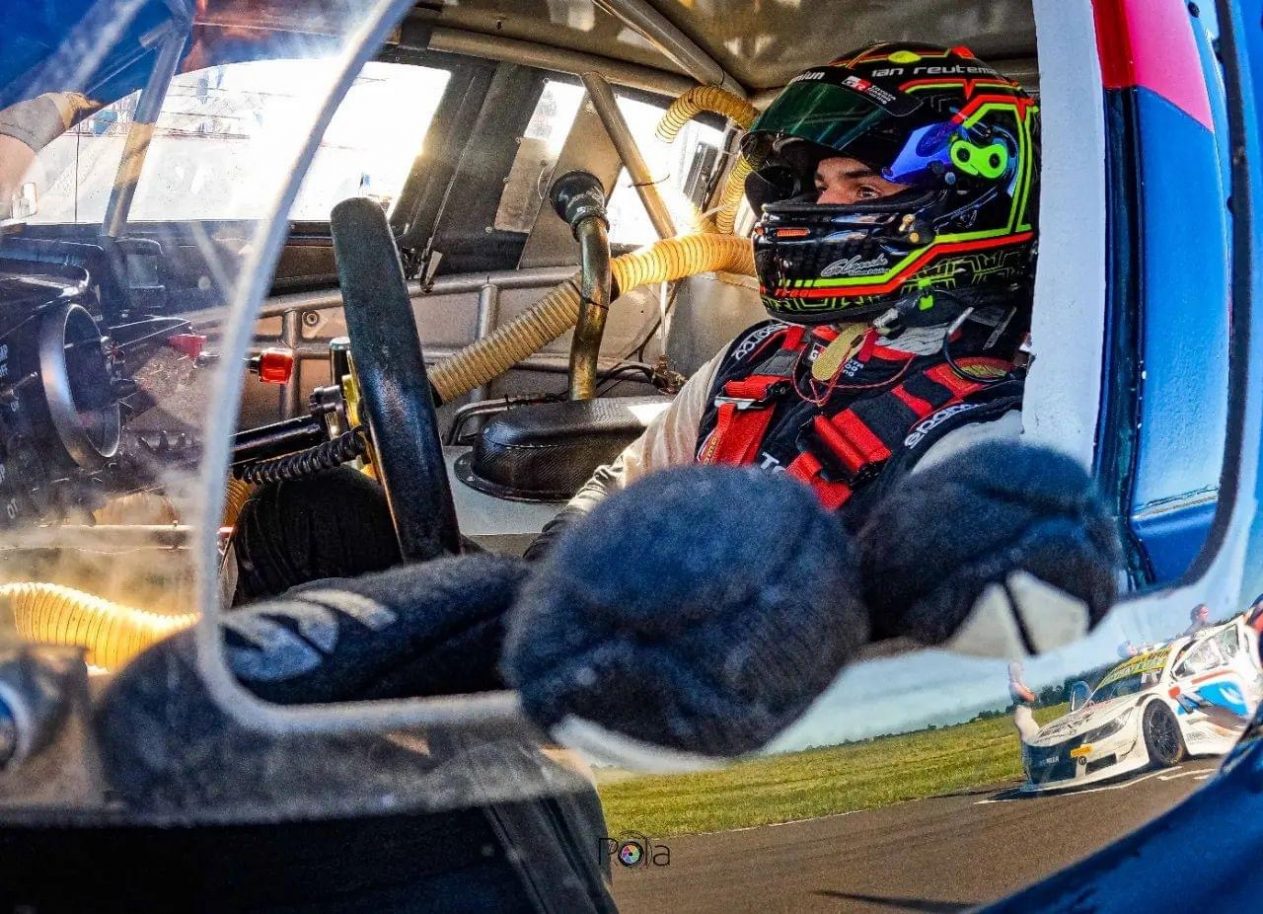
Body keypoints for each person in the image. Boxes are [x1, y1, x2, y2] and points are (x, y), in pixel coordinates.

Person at [527, 41, 1037, 556]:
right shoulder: (757, 354)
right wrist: (550, 566)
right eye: (820, 186)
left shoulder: (981, 436)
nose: (819, 207)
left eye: (864, 191)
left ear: (966, 212)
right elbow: (626, 483)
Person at [1009, 661, 1039, 742]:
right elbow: (1030, 698)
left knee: (1034, 738)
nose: (1023, 670)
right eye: (1020, 669)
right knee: (1034, 739)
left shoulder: (1017, 684)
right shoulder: (1015, 685)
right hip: (1023, 716)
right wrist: (1032, 693)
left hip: (1024, 715)